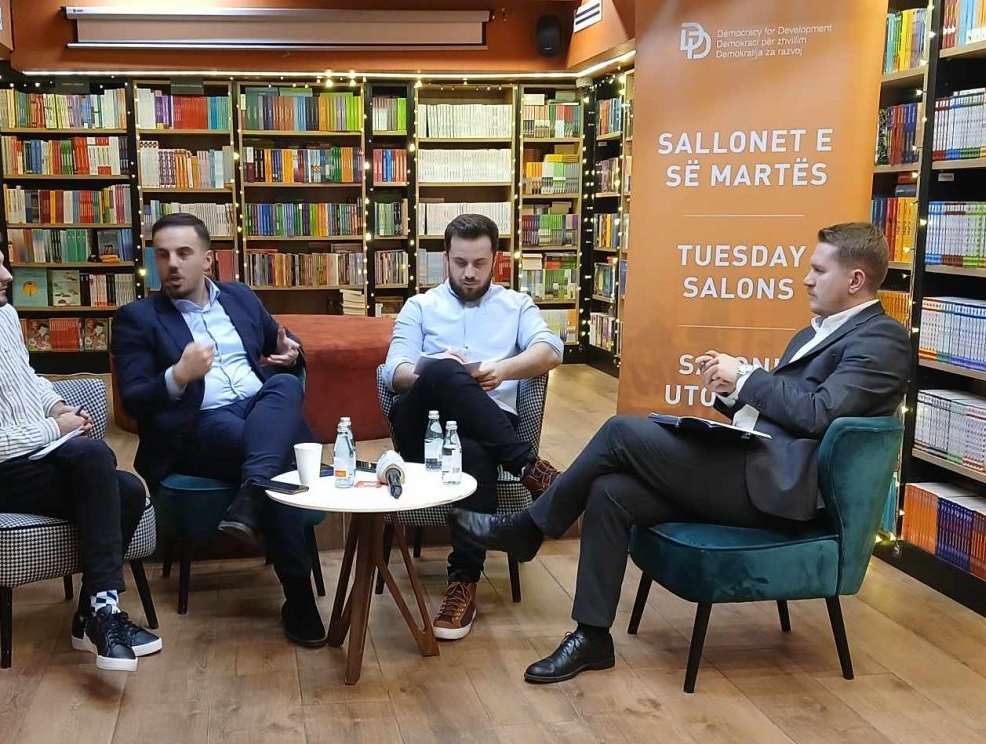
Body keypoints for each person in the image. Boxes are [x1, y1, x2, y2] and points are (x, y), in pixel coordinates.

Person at [454, 222, 912, 682]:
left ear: (855, 280)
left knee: (621, 432)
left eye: (819, 270)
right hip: (752, 466)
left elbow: (819, 414)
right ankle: (592, 638)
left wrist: (748, 377)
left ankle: (530, 527)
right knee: (610, 491)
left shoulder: (881, 341)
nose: (807, 279)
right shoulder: (814, 333)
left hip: (777, 491)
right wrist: (733, 393)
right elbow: (785, 414)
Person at [0, 222, 159, 672]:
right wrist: (54, 428)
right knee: (95, 457)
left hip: (38, 458)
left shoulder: (3, 317)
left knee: (129, 490)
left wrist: (56, 404)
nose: (7, 275)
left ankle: (93, 613)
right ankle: (102, 613)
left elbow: (28, 379)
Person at [111, 213, 322, 647]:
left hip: (257, 411)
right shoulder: (137, 318)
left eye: (184, 253)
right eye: (162, 255)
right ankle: (300, 598)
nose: (172, 264)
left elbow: (280, 341)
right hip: (197, 425)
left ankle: (253, 487)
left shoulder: (239, 297)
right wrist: (178, 375)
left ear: (207, 260)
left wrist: (290, 353)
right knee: (282, 464)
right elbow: (133, 400)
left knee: (283, 385)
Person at [385, 213, 563, 642]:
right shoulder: (420, 306)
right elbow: (394, 371)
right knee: (446, 372)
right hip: (422, 428)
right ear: (445, 259)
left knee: (473, 450)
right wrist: (438, 372)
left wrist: (503, 370)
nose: (469, 273)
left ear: (495, 259)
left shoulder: (516, 305)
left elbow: (551, 350)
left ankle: (463, 584)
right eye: (460, 262)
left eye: (479, 263)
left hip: (487, 429)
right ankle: (530, 468)